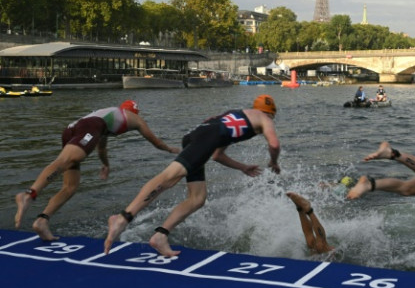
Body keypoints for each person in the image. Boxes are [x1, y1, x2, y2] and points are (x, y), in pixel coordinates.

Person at [104, 95, 281, 257]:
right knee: (169, 177)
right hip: (207, 138)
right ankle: (122, 218)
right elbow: (274, 144)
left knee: (197, 198)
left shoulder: (238, 115)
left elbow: (217, 155)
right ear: (271, 113)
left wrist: (242, 167)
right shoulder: (265, 118)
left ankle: (160, 236)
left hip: (196, 135)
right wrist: (274, 162)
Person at [14, 100, 179, 241]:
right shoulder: (133, 118)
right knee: (66, 160)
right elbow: (155, 141)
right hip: (87, 128)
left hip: (72, 129)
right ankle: (30, 194)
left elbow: (101, 148)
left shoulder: (108, 117)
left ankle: (42, 221)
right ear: (134, 112)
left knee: (70, 186)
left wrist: (105, 165)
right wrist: (171, 149)